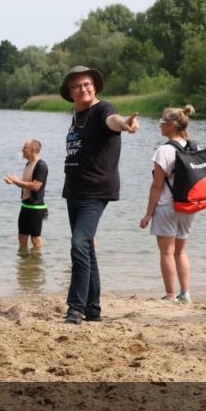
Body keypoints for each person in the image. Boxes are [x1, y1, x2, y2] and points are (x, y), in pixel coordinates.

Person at [60, 65, 140, 325]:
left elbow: (113, 121)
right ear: (70, 93)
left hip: (95, 191)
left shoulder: (102, 110)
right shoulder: (77, 115)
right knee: (87, 249)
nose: (83, 89)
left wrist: (125, 124)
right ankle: (93, 309)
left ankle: (76, 308)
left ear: (94, 86)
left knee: (79, 244)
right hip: (74, 190)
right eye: (76, 86)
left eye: (86, 84)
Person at [139, 106, 197, 304]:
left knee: (166, 252)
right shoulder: (192, 147)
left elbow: (157, 186)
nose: (160, 126)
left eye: (162, 122)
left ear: (172, 125)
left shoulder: (164, 150)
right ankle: (186, 294)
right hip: (188, 206)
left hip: (166, 206)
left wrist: (148, 214)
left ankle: (171, 295)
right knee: (181, 251)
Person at [5, 139, 48, 250]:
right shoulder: (28, 164)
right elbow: (26, 185)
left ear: (32, 149)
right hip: (25, 206)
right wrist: (13, 181)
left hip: (36, 207)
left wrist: (16, 180)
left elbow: (35, 186)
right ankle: (24, 264)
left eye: (24, 147)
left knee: (35, 239)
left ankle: (37, 263)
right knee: (22, 237)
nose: (22, 149)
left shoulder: (41, 165)